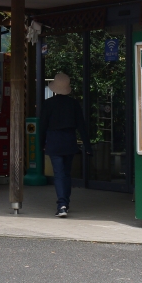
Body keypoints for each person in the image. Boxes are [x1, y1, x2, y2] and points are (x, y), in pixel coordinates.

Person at [38, 72, 89, 218]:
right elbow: (81, 126)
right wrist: (88, 146)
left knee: (59, 174)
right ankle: (65, 202)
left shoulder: (48, 104)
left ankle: (61, 205)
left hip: (54, 141)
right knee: (66, 174)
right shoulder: (73, 104)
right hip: (69, 140)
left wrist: (41, 144)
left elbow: (42, 127)